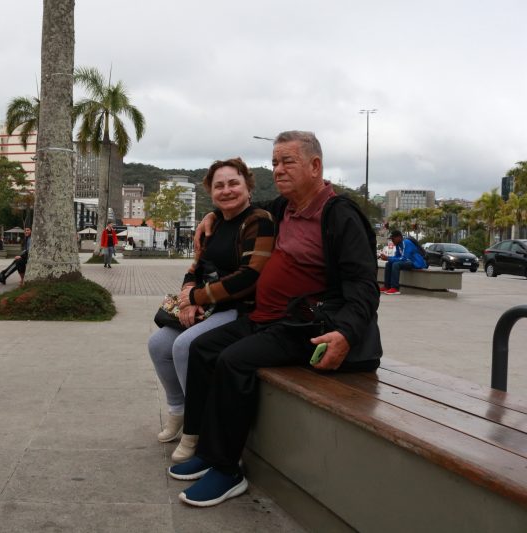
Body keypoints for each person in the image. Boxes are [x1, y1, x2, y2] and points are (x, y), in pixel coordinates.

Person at [169, 131, 382, 507]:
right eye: (274, 163)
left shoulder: (339, 214)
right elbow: (241, 209)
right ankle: (205, 448)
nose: (278, 169)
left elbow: (364, 286)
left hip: (307, 325)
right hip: (267, 318)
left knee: (233, 361)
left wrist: (346, 333)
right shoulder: (284, 207)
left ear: (315, 166)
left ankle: (228, 470)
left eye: (287, 162)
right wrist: (212, 214)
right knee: (202, 348)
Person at [147, 158, 275, 453]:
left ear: (248, 187)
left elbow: (251, 276)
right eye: (219, 186)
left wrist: (197, 298)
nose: (226, 190)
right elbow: (196, 267)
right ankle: (178, 410)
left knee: (185, 345)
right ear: (211, 192)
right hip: (206, 305)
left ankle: (199, 426)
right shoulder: (214, 223)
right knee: (159, 344)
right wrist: (187, 297)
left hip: (239, 307)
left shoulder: (259, 221)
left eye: (233, 183)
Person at [379, 230, 427, 295]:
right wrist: (388, 258)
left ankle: (395, 288)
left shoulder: (406, 242)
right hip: (408, 261)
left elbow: (404, 258)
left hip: (415, 262)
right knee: (388, 264)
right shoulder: (398, 245)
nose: (392, 241)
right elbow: (397, 256)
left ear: (399, 237)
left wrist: (388, 258)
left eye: (393, 239)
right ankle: (387, 286)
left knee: (396, 264)